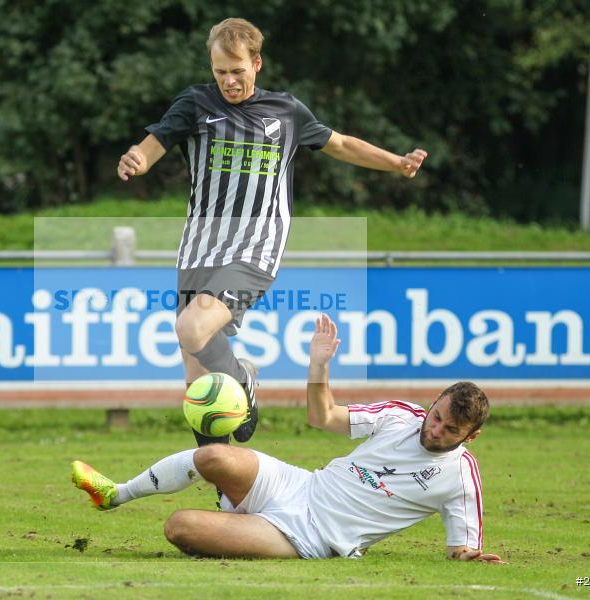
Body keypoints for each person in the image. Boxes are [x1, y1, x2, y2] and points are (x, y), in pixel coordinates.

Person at [116, 18, 428, 446]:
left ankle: (242, 378)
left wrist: (396, 162)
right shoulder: (195, 105)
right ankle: (227, 489)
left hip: (255, 249)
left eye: (237, 70)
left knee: (191, 329)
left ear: (257, 63)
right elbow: (155, 143)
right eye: (220, 71)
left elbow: (340, 144)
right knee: (198, 389)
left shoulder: (286, 112)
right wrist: (136, 157)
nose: (228, 80)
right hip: (198, 251)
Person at [72, 314, 503, 562]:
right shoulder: (399, 416)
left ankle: (233, 515)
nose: (435, 429)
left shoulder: (461, 476)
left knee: (179, 526)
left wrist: (468, 555)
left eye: (449, 430)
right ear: (435, 402)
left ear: (473, 436)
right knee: (214, 458)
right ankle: (114, 494)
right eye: (437, 416)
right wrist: (319, 367)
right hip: (301, 484)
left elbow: (461, 546)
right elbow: (323, 417)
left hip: (313, 538)